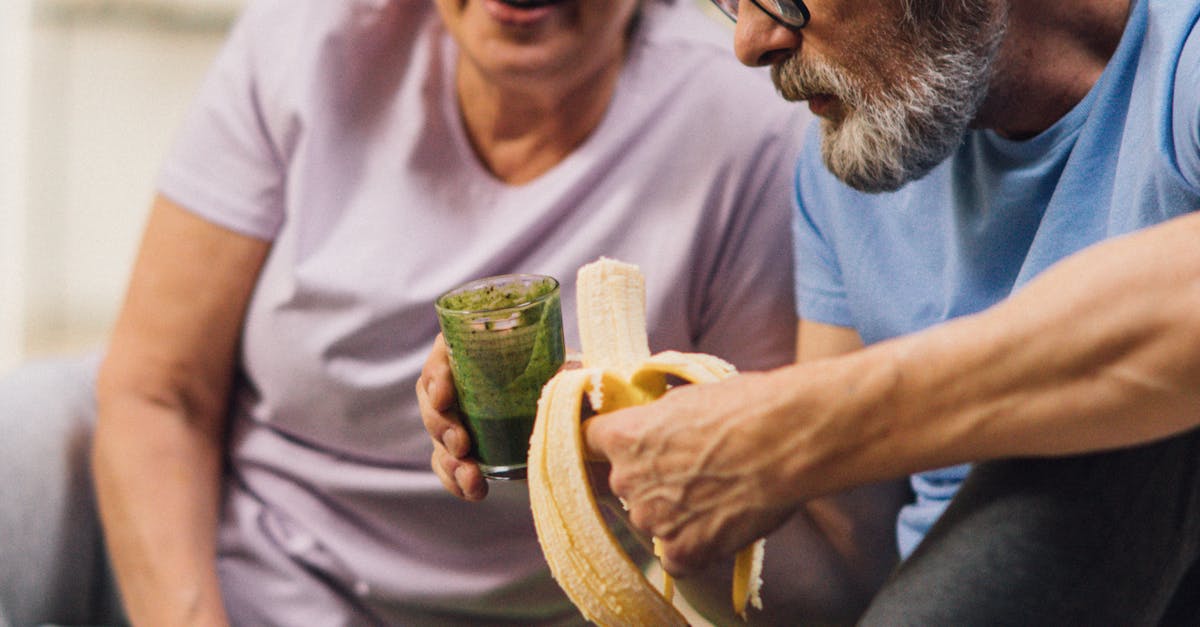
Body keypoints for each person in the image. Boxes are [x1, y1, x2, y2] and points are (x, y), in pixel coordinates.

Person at [0, 0, 823, 625]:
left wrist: (612, 452)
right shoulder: (307, 38)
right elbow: (158, 391)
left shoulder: (744, 130)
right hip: (231, 584)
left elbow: (764, 529)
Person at [430, 0, 1200, 623]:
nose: (751, 43)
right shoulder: (851, 161)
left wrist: (801, 424)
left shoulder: (1182, 59)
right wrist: (620, 453)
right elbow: (840, 585)